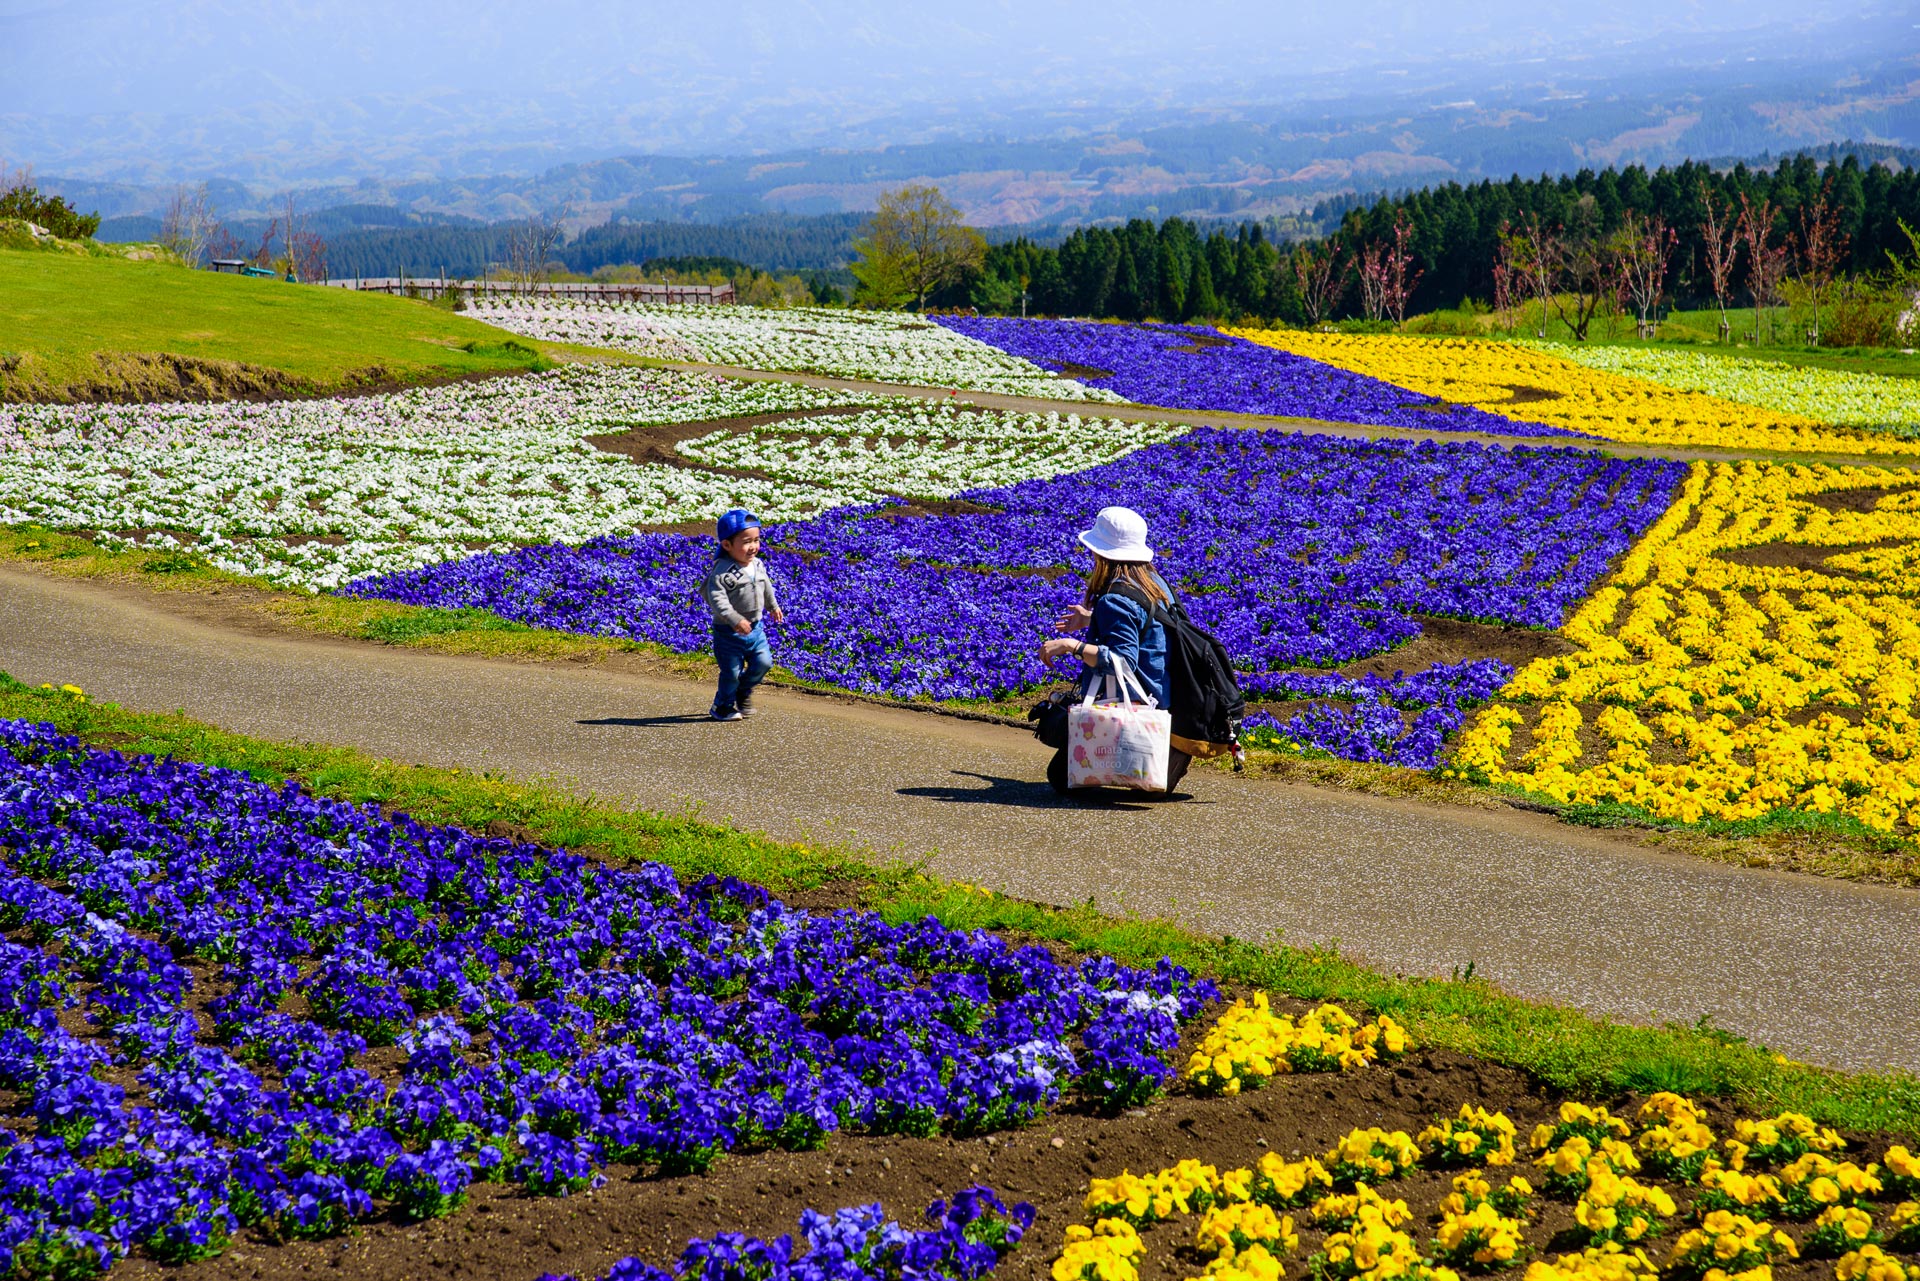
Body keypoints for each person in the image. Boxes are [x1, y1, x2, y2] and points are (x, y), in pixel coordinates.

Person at [1036, 506, 1192, 796]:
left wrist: (1073, 646)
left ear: (1101, 554)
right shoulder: (1156, 583)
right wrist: (1092, 618)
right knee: (1132, 780)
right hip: (1168, 705)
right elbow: (1144, 621)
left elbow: (1123, 662)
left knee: (1061, 777)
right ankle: (1167, 753)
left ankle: (1146, 755)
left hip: (1136, 711)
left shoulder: (1115, 599)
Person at [701, 508, 785, 722]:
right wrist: (734, 619)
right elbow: (717, 599)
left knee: (764, 663)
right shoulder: (722, 573)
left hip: (755, 628)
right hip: (728, 633)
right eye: (747, 541)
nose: (753, 546)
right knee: (731, 673)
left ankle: (743, 690)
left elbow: (766, 587)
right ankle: (722, 706)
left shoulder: (757, 565)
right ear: (727, 545)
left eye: (756, 540)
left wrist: (773, 606)